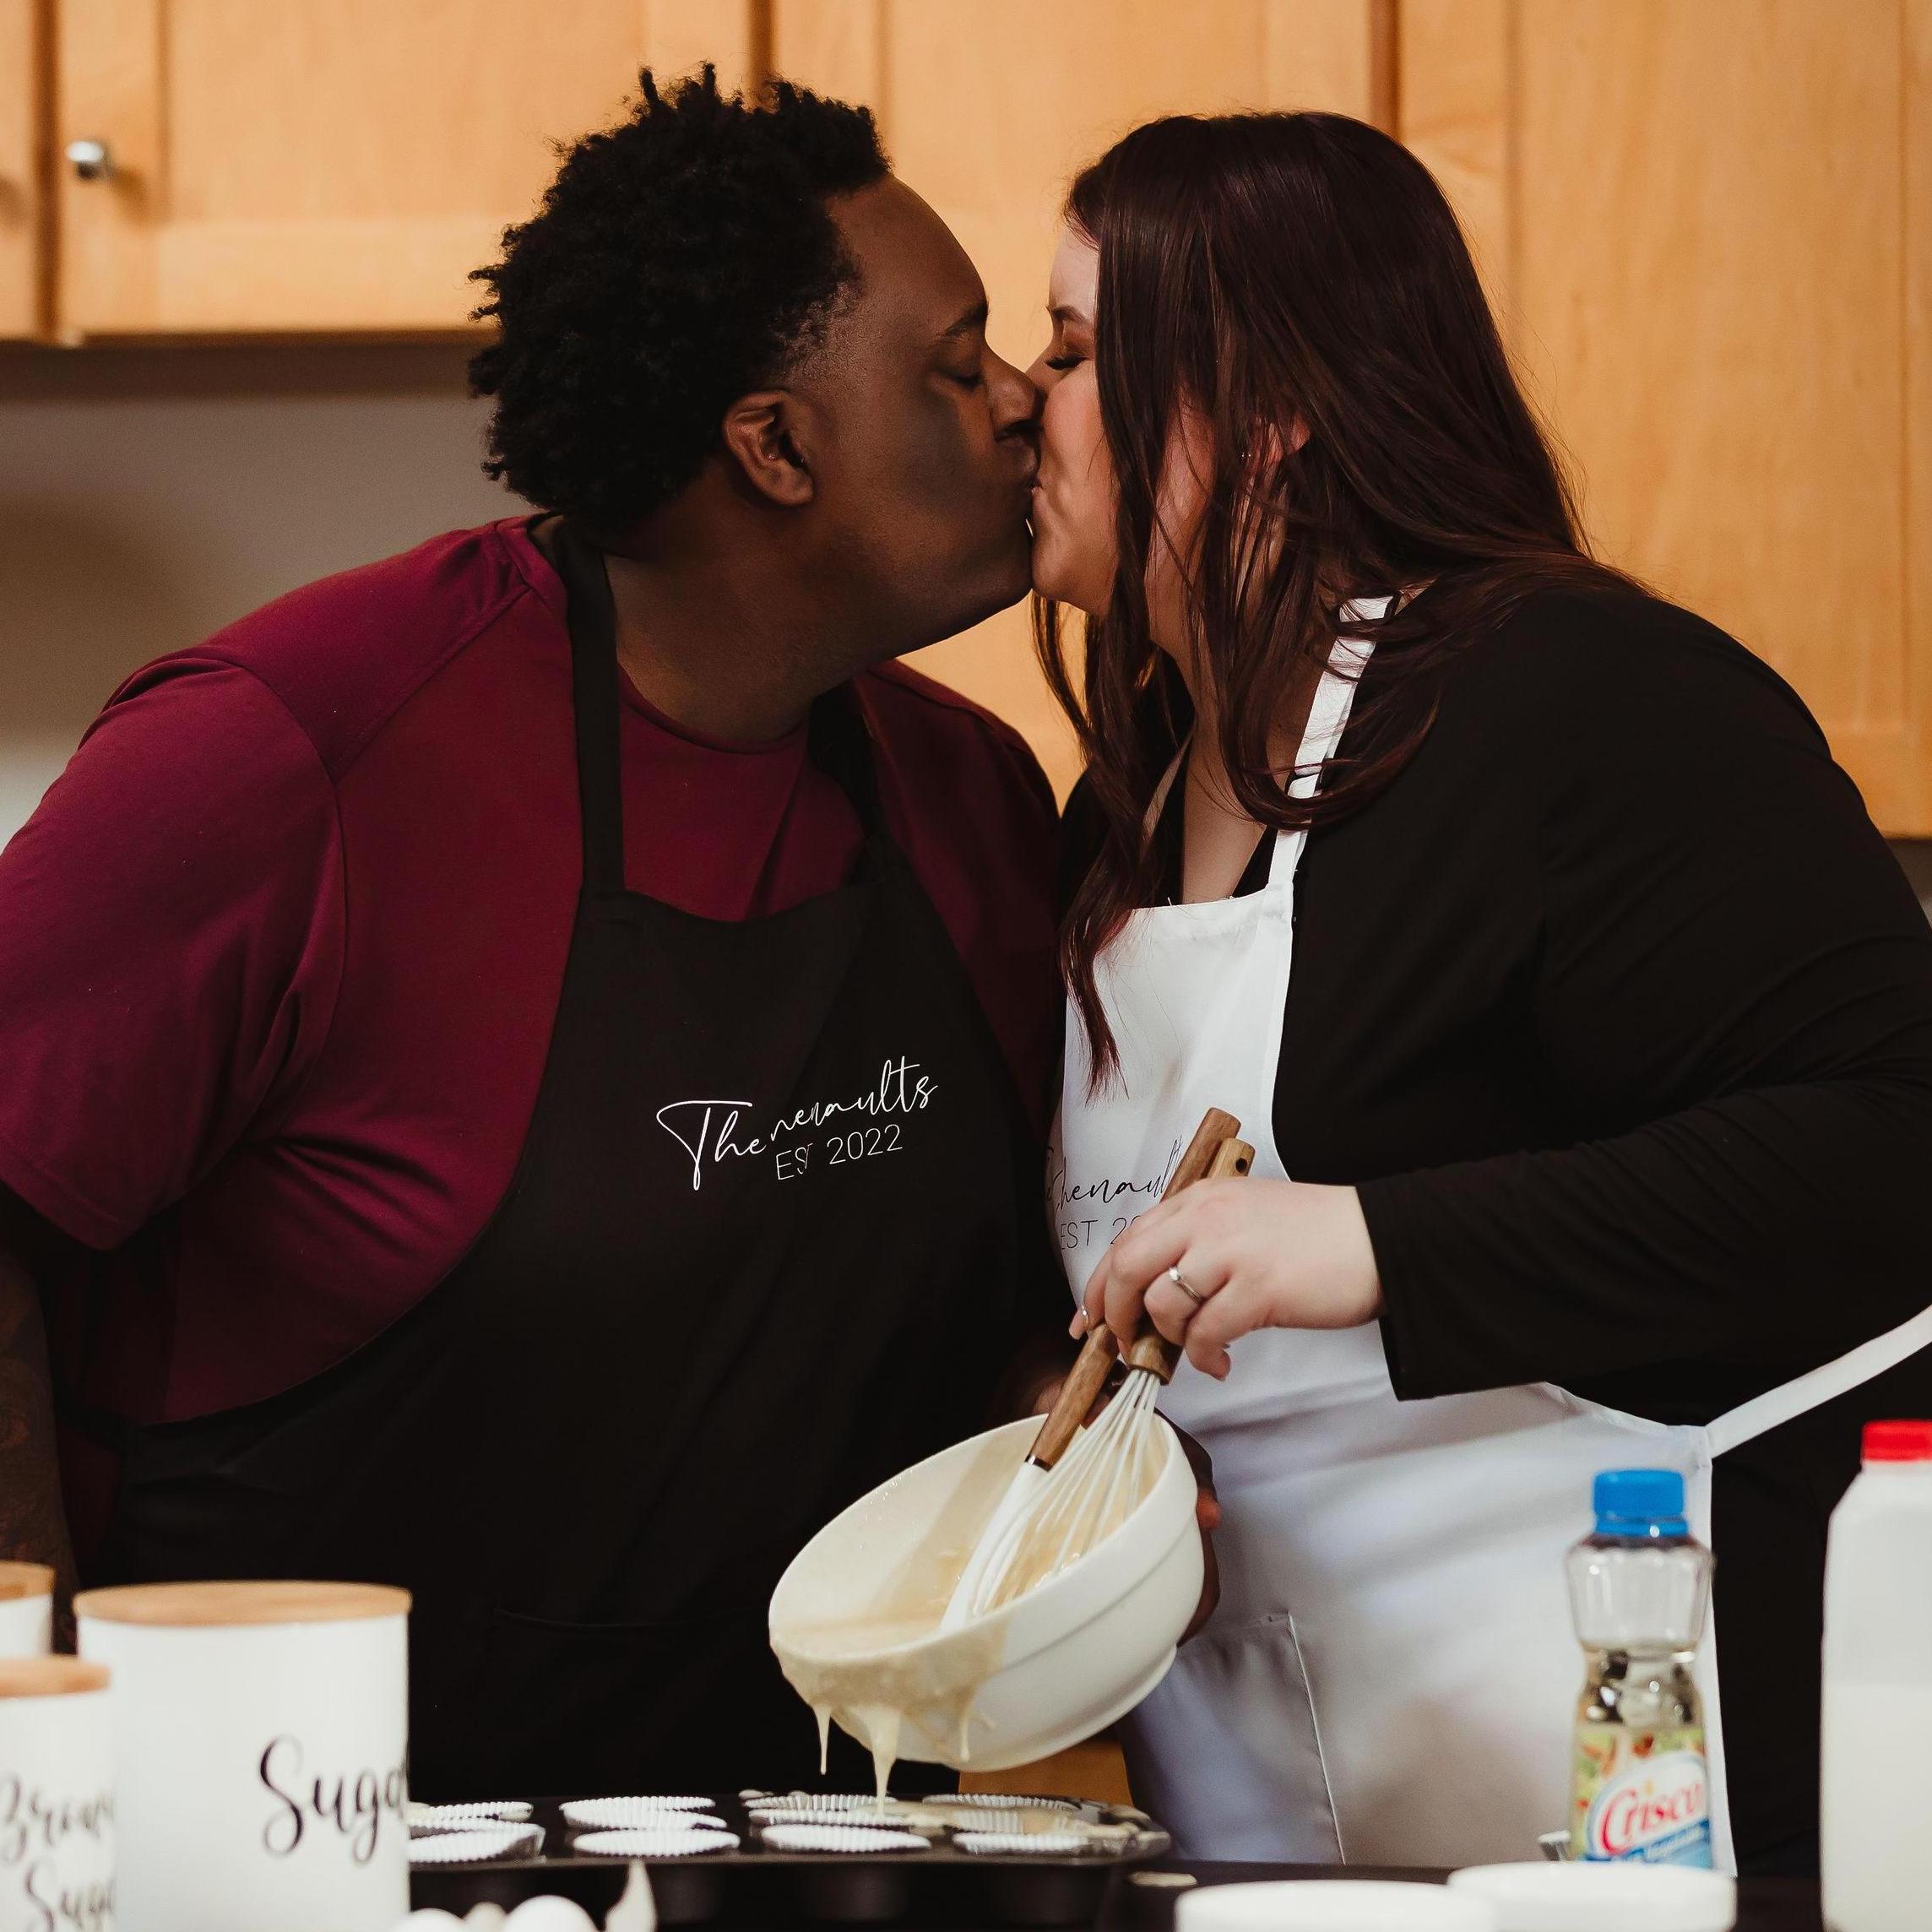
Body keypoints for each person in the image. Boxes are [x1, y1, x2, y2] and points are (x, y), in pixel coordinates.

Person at [0, 69, 1068, 1796]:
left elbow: (981, 1312)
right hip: (299, 1850)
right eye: (960, 367)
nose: (1028, 403)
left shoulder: (977, 800)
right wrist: (33, 1724)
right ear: (772, 446)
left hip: (809, 1840)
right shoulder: (287, 757)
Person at [1028, 109, 1932, 1876]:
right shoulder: (1118, 802)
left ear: (1267, 416)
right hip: (1265, 1842)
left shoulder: (1573, 699)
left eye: (1071, 351)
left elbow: (1902, 1140)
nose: (1016, 404)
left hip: (1658, 1819)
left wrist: (1381, 1243)